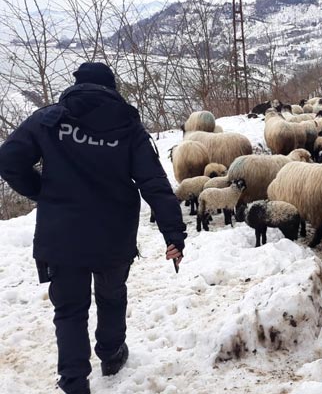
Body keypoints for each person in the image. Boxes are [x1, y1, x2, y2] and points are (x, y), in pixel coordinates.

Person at [0, 62, 186, 394]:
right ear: (111, 88)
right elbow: (154, 183)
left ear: (77, 85)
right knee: (111, 295)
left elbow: (9, 159)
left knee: (70, 309)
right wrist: (173, 234)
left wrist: (40, 190)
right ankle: (111, 353)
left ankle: (73, 382)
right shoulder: (128, 126)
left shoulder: (50, 119)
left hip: (62, 235)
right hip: (113, 235)